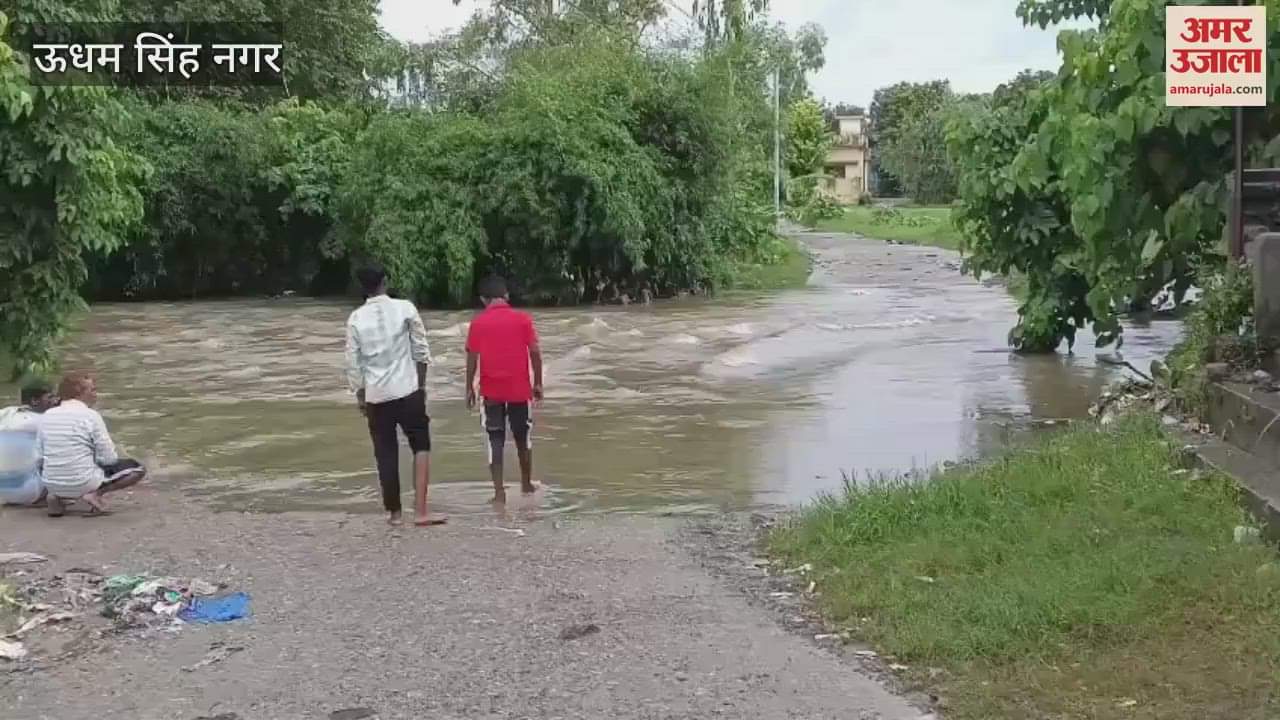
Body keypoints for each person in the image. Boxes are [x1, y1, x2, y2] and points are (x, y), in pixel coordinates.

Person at [345, 264, 445, 527]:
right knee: (421, 445)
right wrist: (421, 387)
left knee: (385, 453)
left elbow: (353, 363)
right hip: (407, 390)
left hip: (376, 396)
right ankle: (421, 511)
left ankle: (395, 514)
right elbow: (421, 351)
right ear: (385, 282)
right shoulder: (405, 308)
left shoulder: (355, 318)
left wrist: (360, 396)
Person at [465, 276, 544, 505]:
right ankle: (526, 484)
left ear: (483, 299)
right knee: (523, 437)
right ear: (507, 296)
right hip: (519, 389)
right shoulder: (523, 319)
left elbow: (472, 357)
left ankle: (499, 493)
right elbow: (535, 352)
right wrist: (538, 383)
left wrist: (469, 387)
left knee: (495, 439)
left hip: (491, 391)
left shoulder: (478, 323)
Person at [40, 372, 146, 516]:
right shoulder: (91, 416)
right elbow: (109, 458)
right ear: (80, 393)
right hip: (83, 482)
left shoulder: (47, 415)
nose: (96, 394)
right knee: (138, 468)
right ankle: (95, 494)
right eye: (93, 390)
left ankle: (56, 496)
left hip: (50, 483)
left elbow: (38, 455)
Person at [0, 381, 58, 507]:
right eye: (50, 397)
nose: (55, 400)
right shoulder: (47, 421)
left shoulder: (6, 413)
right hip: (28, 492)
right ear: (35, 401)